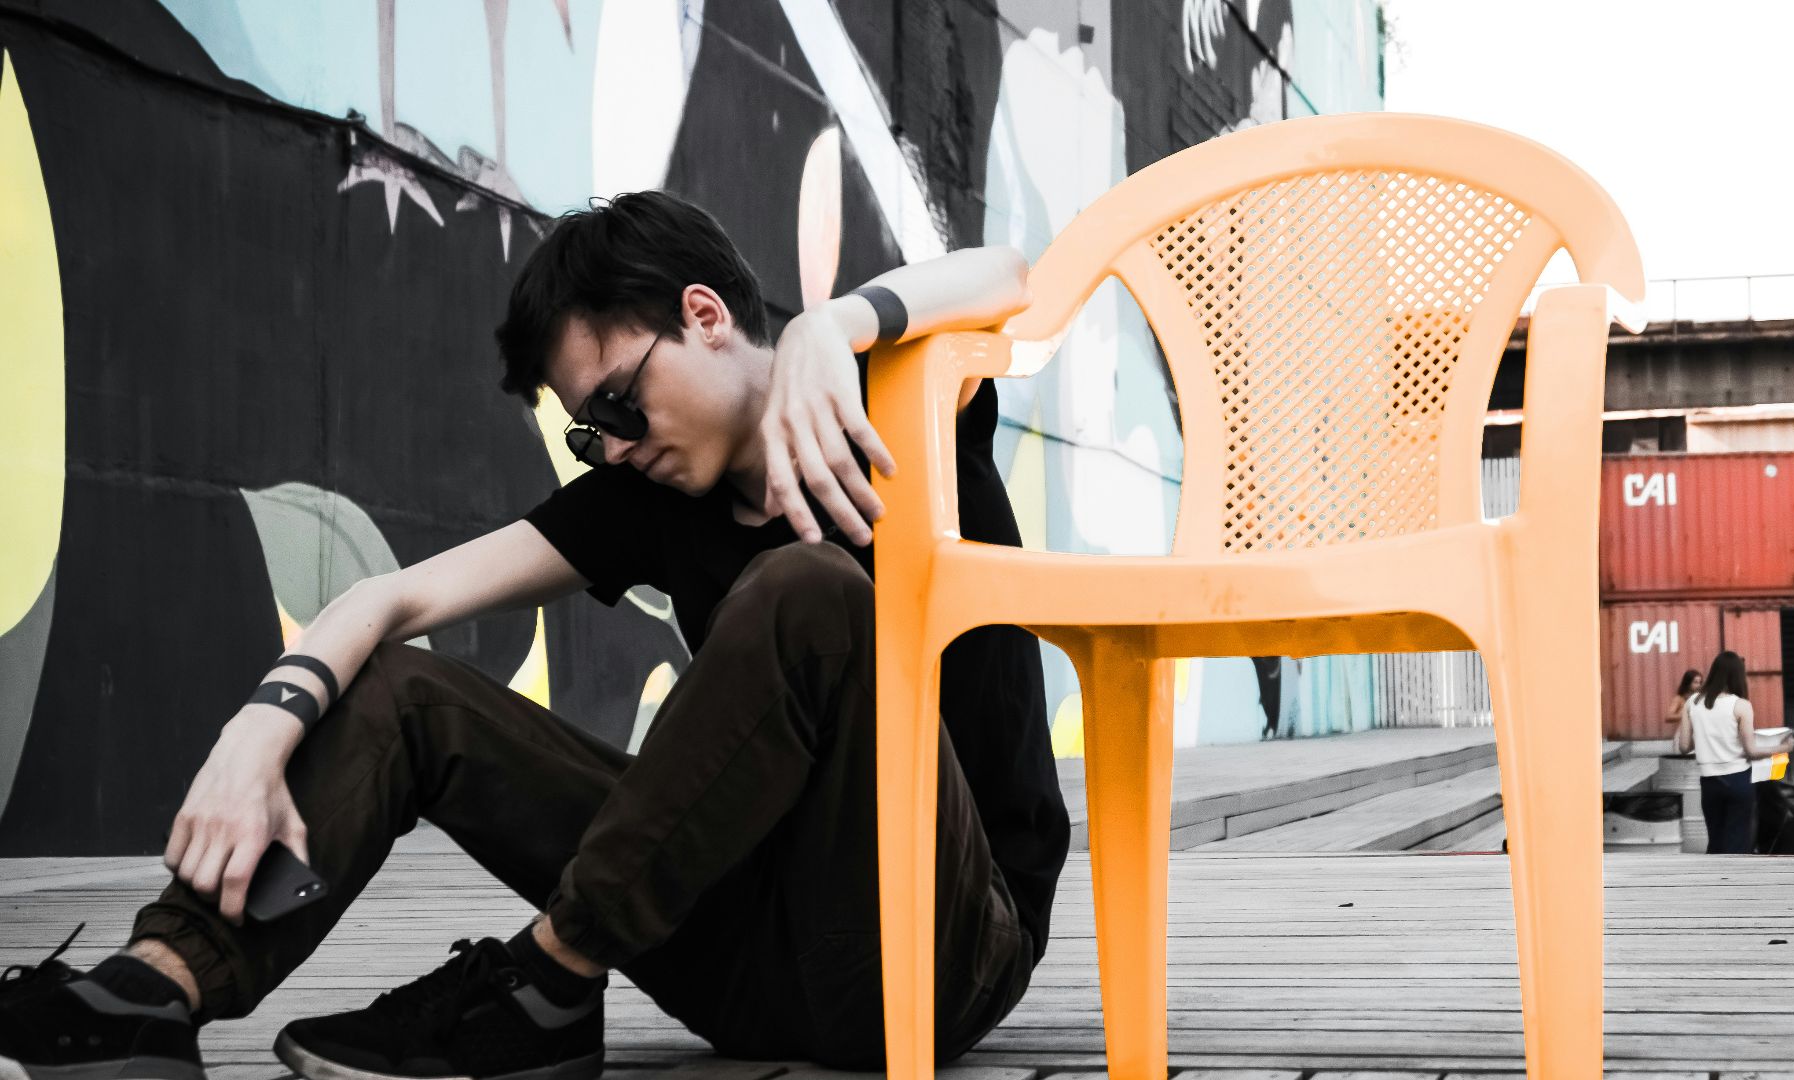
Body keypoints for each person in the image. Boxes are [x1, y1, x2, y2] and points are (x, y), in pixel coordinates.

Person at [0, 192, 1068, 1080]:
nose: (613, 446)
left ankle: (548, 980)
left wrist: (830, 328)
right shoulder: (651, 499)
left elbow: (1010, 267)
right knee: (405, 691)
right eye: (586, 430)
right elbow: (389, 600)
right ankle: (157, 988)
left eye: (620, 402)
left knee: (809, 589)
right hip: (739, 959)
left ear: (703, 315)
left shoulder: (893, 400)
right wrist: (254, 733)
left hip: (940, 949)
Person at [1674, 650, 1794, 855]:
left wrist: (1707, 736)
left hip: (1709, 782)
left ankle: (1715, 885)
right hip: (1738, 780)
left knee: (1716, 841)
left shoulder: (1692, 703)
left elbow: (1684, 746)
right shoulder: (1741, 705)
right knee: (1737, 843)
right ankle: (1734, 885)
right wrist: (1785, 748)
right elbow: (1752, 751)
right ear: (1737, 676)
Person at [1665, 669, 1702, 735]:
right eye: (1695, 682)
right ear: (1688, 683)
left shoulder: (1701, 698)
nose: (1698, 685)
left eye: (1700, 682)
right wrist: (1686, 714)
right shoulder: (1679, 699)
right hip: (1684, 734)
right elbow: (1668, 717)